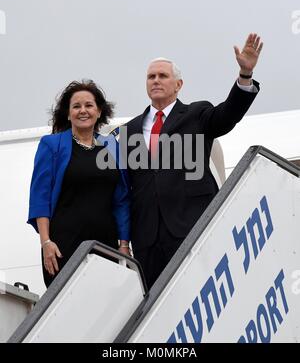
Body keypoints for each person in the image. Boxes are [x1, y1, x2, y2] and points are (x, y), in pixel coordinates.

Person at [125, 33, 263, 288]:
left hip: (191, 228)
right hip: (147, 239)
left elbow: (228, 114)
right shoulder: (129, 130)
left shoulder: (197, 114)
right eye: (151, 76)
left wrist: (245, 75)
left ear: (178, 85)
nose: (156, 80)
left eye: (163, 76)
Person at [28, 80, 130, 287]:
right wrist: (46, 242)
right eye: (76, 106)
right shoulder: (51, 145)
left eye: (89, 105)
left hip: (105, 246)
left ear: (99, 111)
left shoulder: (113, 146)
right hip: (62, 246)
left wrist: (124, 244)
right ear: (68, 113)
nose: (83, 111)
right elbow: (40, 197)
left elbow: (121, 199)